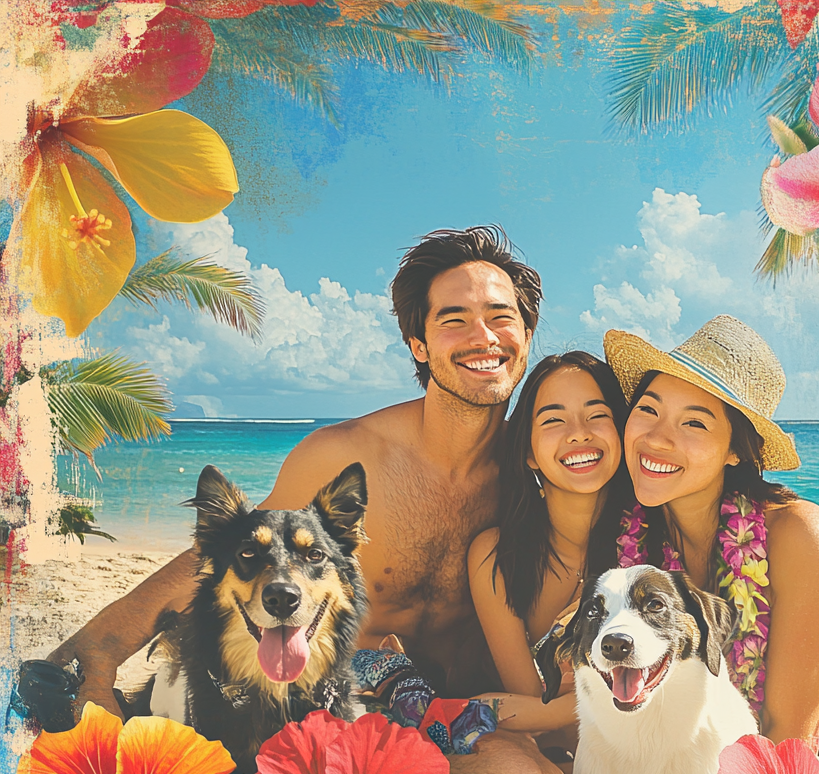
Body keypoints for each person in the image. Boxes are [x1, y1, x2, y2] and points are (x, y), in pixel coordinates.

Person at [48, 225, 543, 713]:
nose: (483, 337)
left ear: (526, 334)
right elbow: (228, 552)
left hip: (461, 704)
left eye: (500, 316)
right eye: (454, 319)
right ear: (419, 345)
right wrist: (102, 650)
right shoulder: (346, 458)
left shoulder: (536, 474)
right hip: (334, 704)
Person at [604, 315, 819, 774]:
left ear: (736, 451)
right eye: (648, 410)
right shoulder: (638, 540)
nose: (657, 438)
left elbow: (792, 737)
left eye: (694, 423)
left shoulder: (800, 532)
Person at [467, 352, 633, 748]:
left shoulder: (647, 547)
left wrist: (549, 712)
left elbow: (536, 713)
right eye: (554, 420)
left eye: (597, 415)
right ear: (528, 452)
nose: (578, 433)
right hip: (557, 758)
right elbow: (537, 714)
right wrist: (551, 714)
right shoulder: (495, 556)